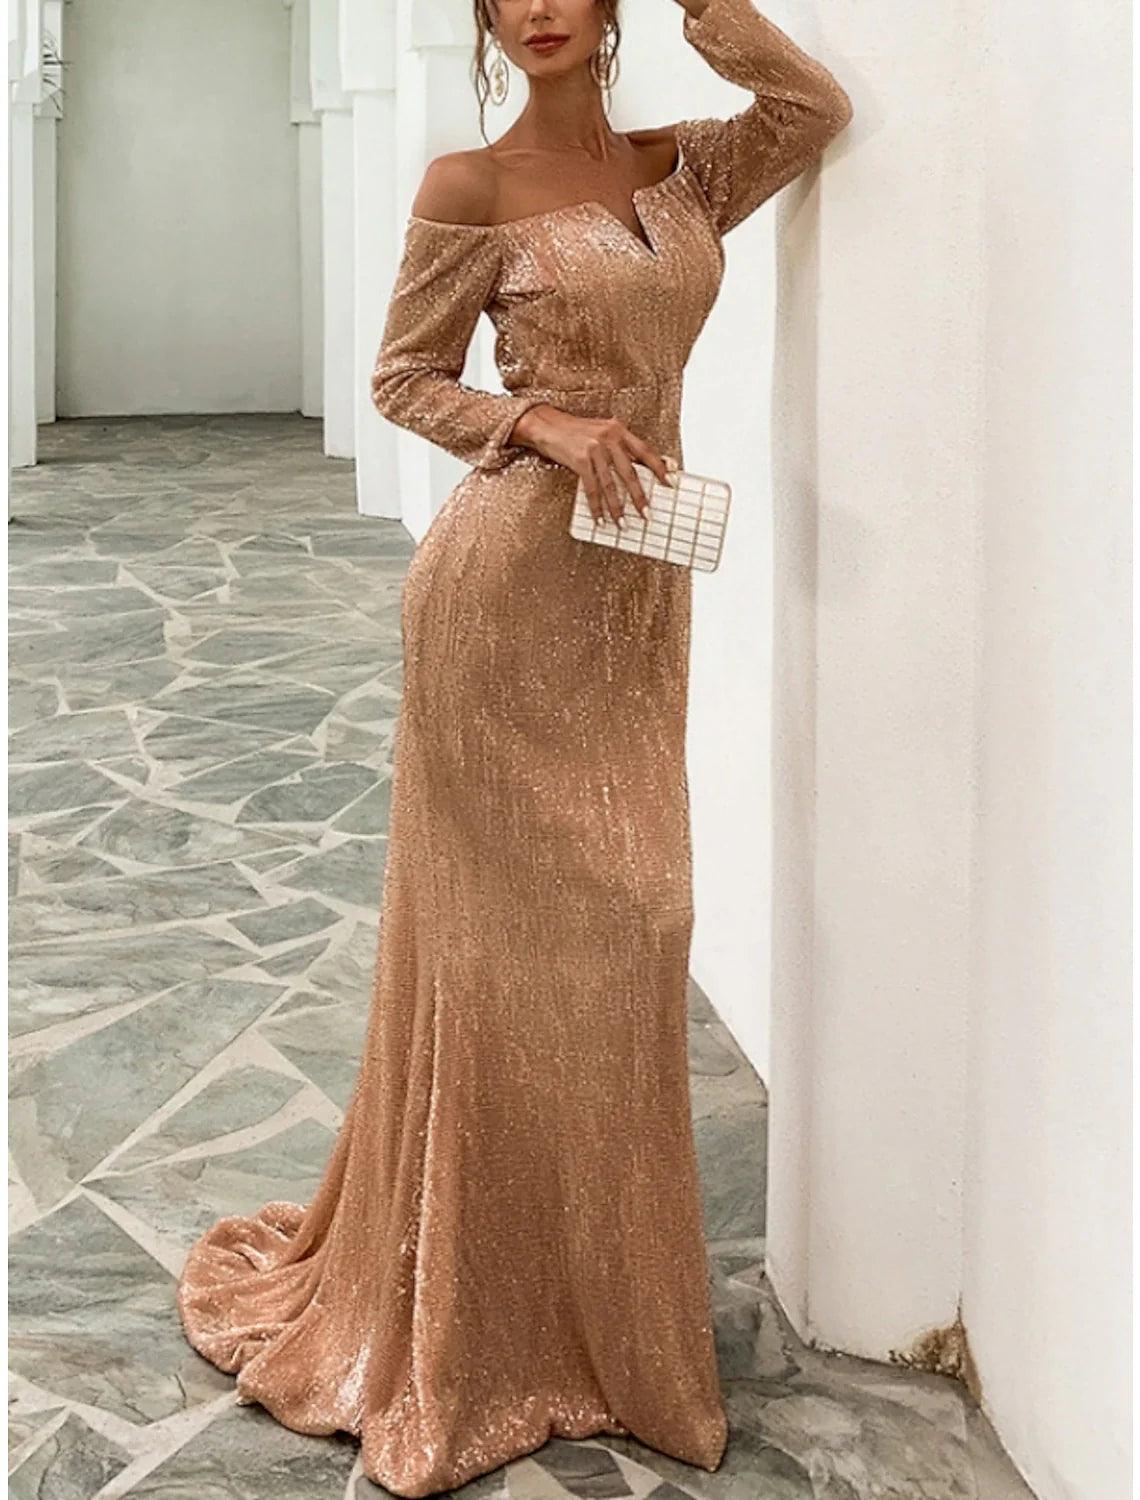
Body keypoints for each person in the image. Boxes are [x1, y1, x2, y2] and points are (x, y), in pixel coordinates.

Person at [175, 0, 852, 1494]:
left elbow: (810, 112)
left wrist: (708, 9)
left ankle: (596, 1312)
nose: (537, 6)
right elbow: (404, 375)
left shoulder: (686, 170)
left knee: (637, 920)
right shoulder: (468, 184)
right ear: (485, 16)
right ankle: (475, 1319)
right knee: (496, 957)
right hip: (501, 595)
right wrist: (545, 424)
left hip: (632, 598)